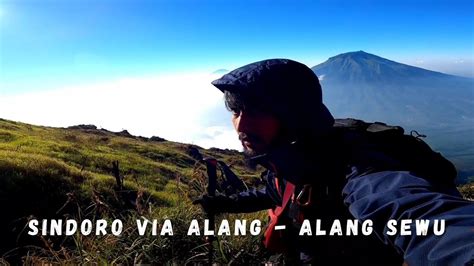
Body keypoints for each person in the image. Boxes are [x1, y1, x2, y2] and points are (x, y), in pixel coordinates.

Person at [194, 59, 474, 265]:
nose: (241, 123)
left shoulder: (356, 166)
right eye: (236, 110)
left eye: (255, 110)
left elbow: (413, 211)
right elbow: (274, 193)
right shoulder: (287, 158)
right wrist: (226, 204)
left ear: (292, 115)